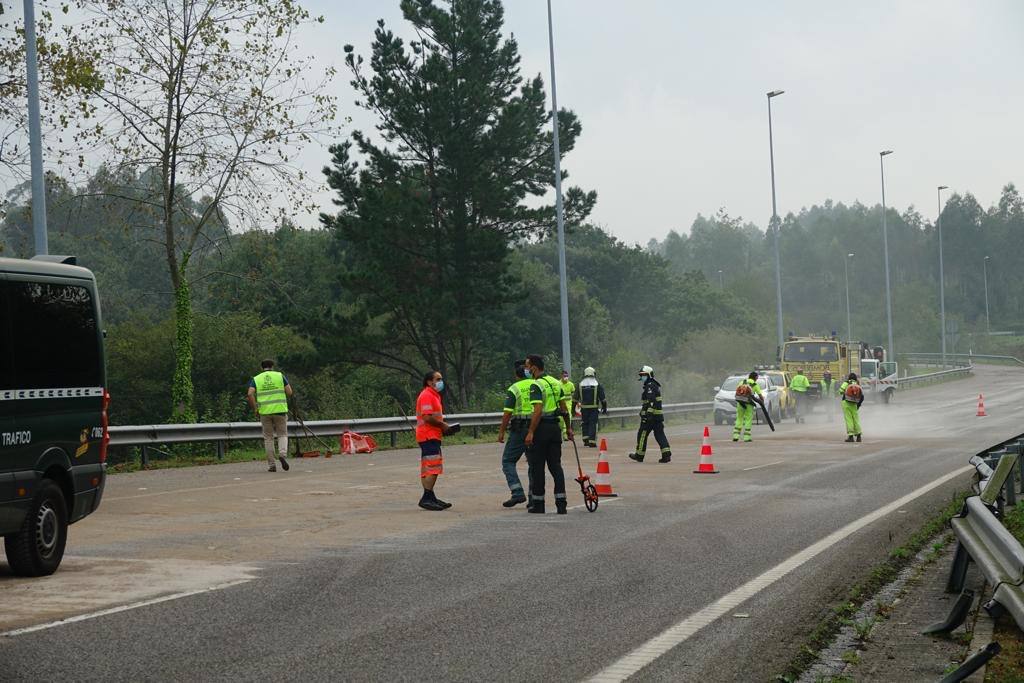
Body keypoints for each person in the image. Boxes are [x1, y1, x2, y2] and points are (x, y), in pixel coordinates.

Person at [524, 354, 573, 514]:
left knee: (538, 468)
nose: (526, 369)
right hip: (555, 430)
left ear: (534, 367)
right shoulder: (555, 383)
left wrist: (531, 431)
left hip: (541, 429)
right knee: (556, 467)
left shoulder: (536, 385)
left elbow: (537, 411)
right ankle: (561, 504)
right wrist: (569, 428)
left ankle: (539, 505)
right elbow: (564, 408)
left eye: (527, 366)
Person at [497, 361, 534, 507]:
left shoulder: (514, 388)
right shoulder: (537, 384)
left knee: (508, 461)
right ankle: (534, 498)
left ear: (516, 375)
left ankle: (517, 492)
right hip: (537, 426)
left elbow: (507, 413)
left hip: (520, 429)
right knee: (533, 463)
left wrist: (501, 431)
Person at [247, 359, 294, 472]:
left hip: (265, 412)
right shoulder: (279, 376)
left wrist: (255, 408)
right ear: (272, 366)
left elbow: (249, 393)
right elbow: (289, 392)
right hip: (280, 411)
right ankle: (282, 454)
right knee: (282, 434)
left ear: (261, 368)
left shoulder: (256, 379)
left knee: (268, 438)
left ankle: (272, 465)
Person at [416, 370, 453, 510]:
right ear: (429, 381)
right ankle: (426, 497)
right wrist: (443, 425)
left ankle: (430, 496)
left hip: (432, 435)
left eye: (441, 379)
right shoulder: (426, 395)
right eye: (438, 379)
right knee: (433, 467)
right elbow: (427, 417)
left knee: (430, 467)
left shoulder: (434, 395)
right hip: (428, 435)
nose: (440, 382)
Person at [628, 365, 672, 463]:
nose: (642, 377)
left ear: (649, 375)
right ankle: (666, 454)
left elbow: (651, 400)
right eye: (641, 375)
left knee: (642, 434)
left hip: (650, 417)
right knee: (660, 435)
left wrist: (648, 414)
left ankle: (639, 455)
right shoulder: (654, 385)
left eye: (644, 375)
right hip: (658, 417)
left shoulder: (650, 385)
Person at [576, 366, 607, 448]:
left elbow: (575, 399)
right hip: (593, 408)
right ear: (594, 374)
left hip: (584, 409)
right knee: (593, 423)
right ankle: (592, 441)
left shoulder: (580, 384)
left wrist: (572, 410)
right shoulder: (597, 384)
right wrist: (604, 408)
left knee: (584, 423)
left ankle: (586, 440)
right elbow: (603, 398)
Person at [732, 371, 763, 443]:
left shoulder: (742, 382)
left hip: (740, 402)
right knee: (748, 419)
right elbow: (760, 395)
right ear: (755, 377)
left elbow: (738, 391)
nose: (757, 378)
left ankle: (735, 436)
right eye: (757, 377)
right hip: (748, 403)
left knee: (739, 418)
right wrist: (762, 402)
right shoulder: (755, 384)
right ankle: (747, 437)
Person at [839, 372, 864, 442]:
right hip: (854, 404)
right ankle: (859, 436)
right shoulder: (857, 384)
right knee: (856, 419)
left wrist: (844, 392)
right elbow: (862, 396)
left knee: (849, 419)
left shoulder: (846, 383)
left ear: (849, 377)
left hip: (846, 403)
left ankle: (851, 436)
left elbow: (840, 391)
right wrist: (858, 405)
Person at [559, 370, 576, 440]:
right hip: (561, 402)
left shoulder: (571, 384)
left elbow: (573, 392)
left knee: (568, 416)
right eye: (564, 376)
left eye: (567, 376)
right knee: (561, 419)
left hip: (569, 402)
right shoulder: (558, 383)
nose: (566, 377)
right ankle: (561, 433)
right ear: (561, 376)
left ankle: (565, 434)